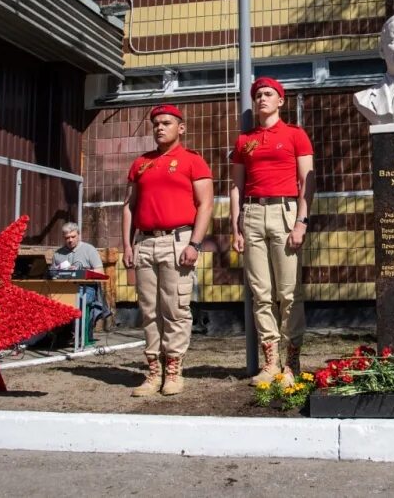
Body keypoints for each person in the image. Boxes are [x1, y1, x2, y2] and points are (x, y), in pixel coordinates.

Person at [122, 104, 214, 397]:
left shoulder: (192, 161)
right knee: (149, 311)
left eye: (166, 123)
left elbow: (205, 205)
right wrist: (127, 244)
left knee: (175, 308)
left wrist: (194, 243)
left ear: (180, 128)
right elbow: (129, 206)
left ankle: (173, 370)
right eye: (156, 124)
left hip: (178, 242)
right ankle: (153, 372)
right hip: (145, 244)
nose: (160, 128)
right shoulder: (140, 163)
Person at [230, 77, 315, 388]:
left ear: (281, 100)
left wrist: (301, 221)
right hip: (252, 214)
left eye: (268, 94)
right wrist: (235, 225)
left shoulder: (295, 135)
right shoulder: (244, 141)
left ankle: (292, 361)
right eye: (258, 94)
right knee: (261, 293)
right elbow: (237, 186)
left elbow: (308, 180)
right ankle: (270, 362)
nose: (262, 98)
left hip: (285, 211)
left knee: (289, 292)